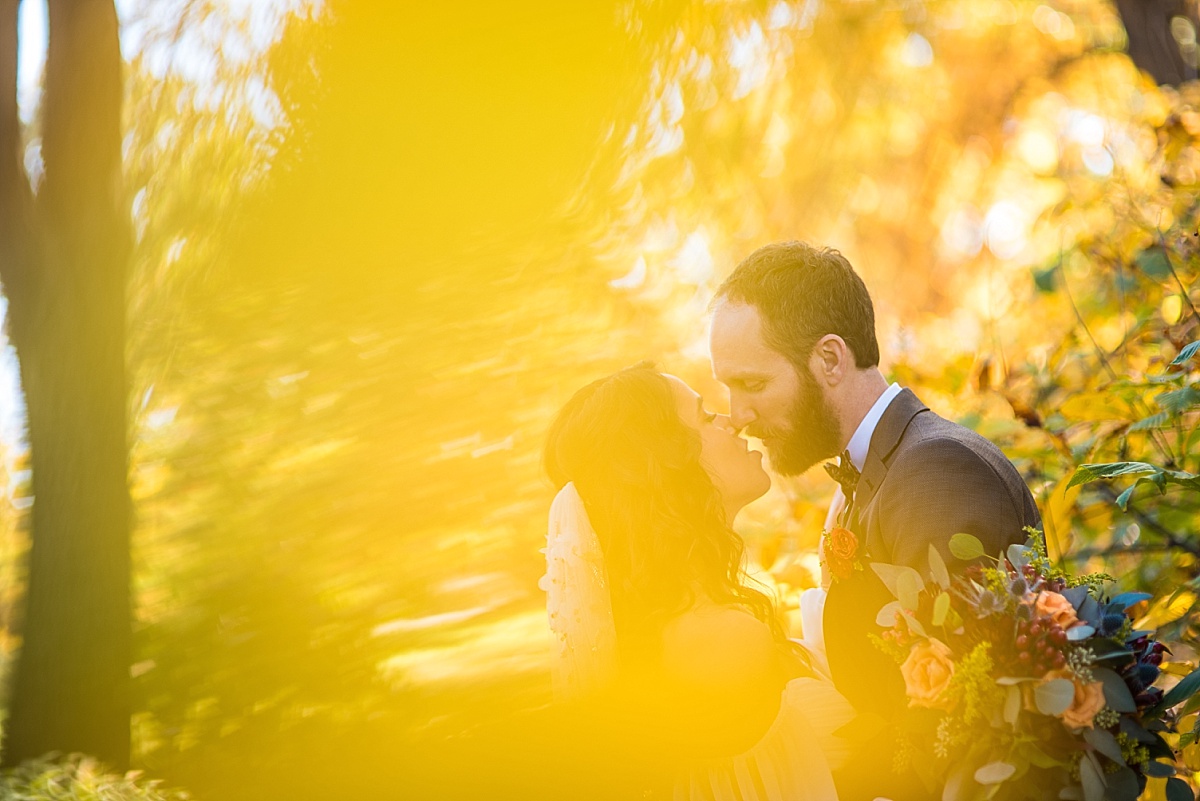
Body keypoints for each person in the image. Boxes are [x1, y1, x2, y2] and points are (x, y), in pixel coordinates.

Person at [709, 241, 1043, 801]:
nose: (739, 415)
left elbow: (964, 718)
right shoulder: (879, 476)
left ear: (831, 359)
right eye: (728, 389)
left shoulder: (934, 471)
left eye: (753, 384)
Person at [542, 364, 853, 801]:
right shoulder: (719, 640)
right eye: (706, 417)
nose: (734, 421)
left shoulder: (685, 624)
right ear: (670, 469)